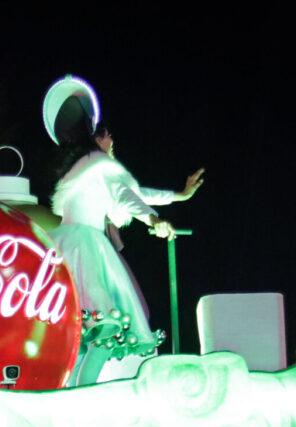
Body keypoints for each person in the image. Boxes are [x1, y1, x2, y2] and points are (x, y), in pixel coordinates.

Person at [44, 78, 202, 385]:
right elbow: (127, 196)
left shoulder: (85, 168)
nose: (112, 140)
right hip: (85, 247)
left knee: (82, 335)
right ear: (99, 138)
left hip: (63, 247)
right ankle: (81, 394)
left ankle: (70, 395)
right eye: (109, 136)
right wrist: (154, 220)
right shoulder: (100, 164)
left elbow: (133, 192)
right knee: (104, 327)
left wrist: (178, 196)